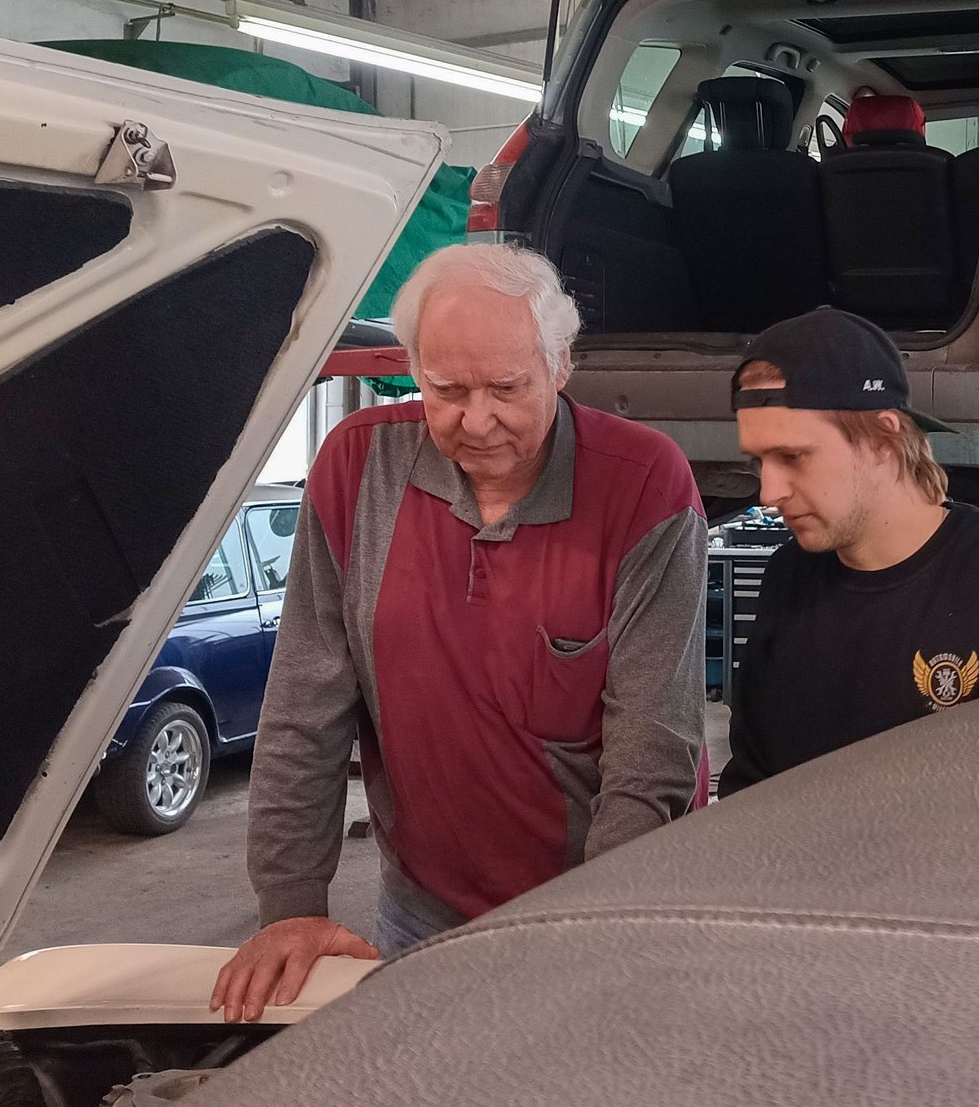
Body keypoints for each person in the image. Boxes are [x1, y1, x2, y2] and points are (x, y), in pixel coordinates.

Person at [213, 244, 706, 1022]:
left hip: (593, 901)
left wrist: (603, 923)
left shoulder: (646, 483)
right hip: (422, 911)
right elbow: (303, 711)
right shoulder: (354, 468)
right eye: (445, 389)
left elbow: (654, 750)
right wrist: (291, 905)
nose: (476, 420)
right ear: (411, 366)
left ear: (561, 364)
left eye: (508, 387)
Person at [718, 307, 979, 796]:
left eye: (793, 457)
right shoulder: (788, 578)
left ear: (882, 439)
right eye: (759, 462)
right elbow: (749, 788)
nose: (769, 492)